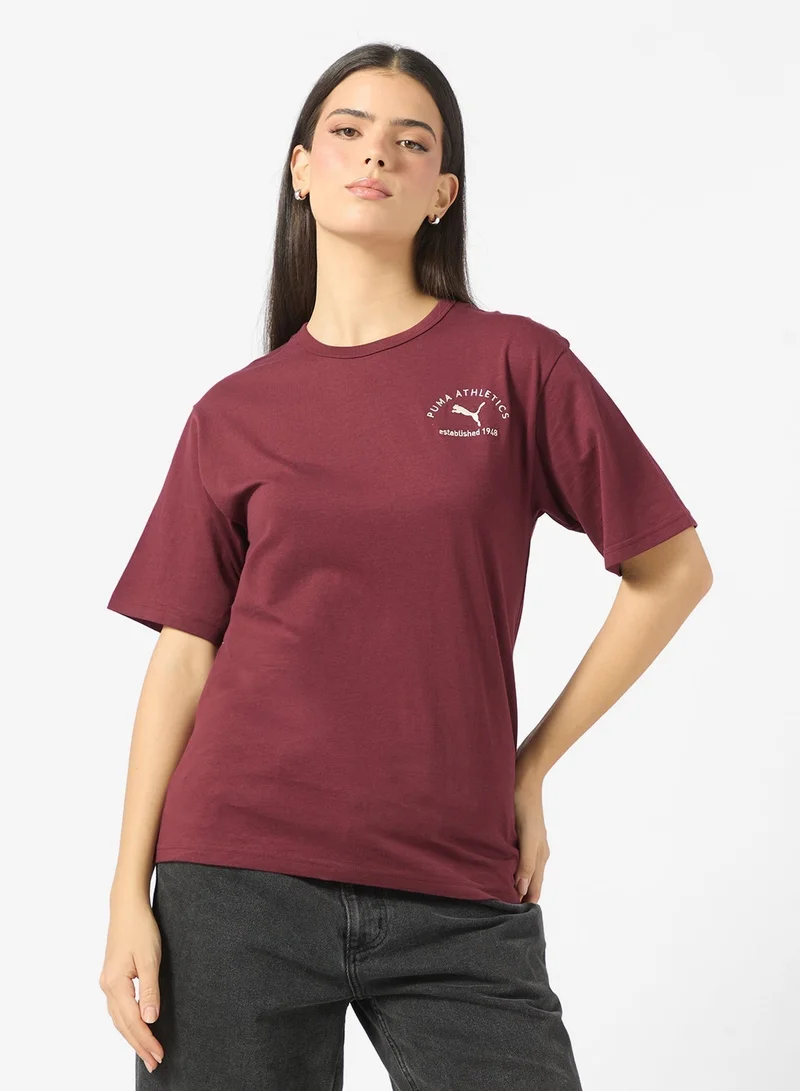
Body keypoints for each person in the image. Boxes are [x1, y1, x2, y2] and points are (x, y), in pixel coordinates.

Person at [98, 41, 713, 1091]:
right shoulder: (233, 413)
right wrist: (127, 894)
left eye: (410, 141)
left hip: (456, 883)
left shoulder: (517, 364)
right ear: (301, 170)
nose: (375, 153)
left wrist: (527, 765)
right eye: (347, 131)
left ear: (442, 193)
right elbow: (183, 660)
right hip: (234, 878)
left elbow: (672, 569)